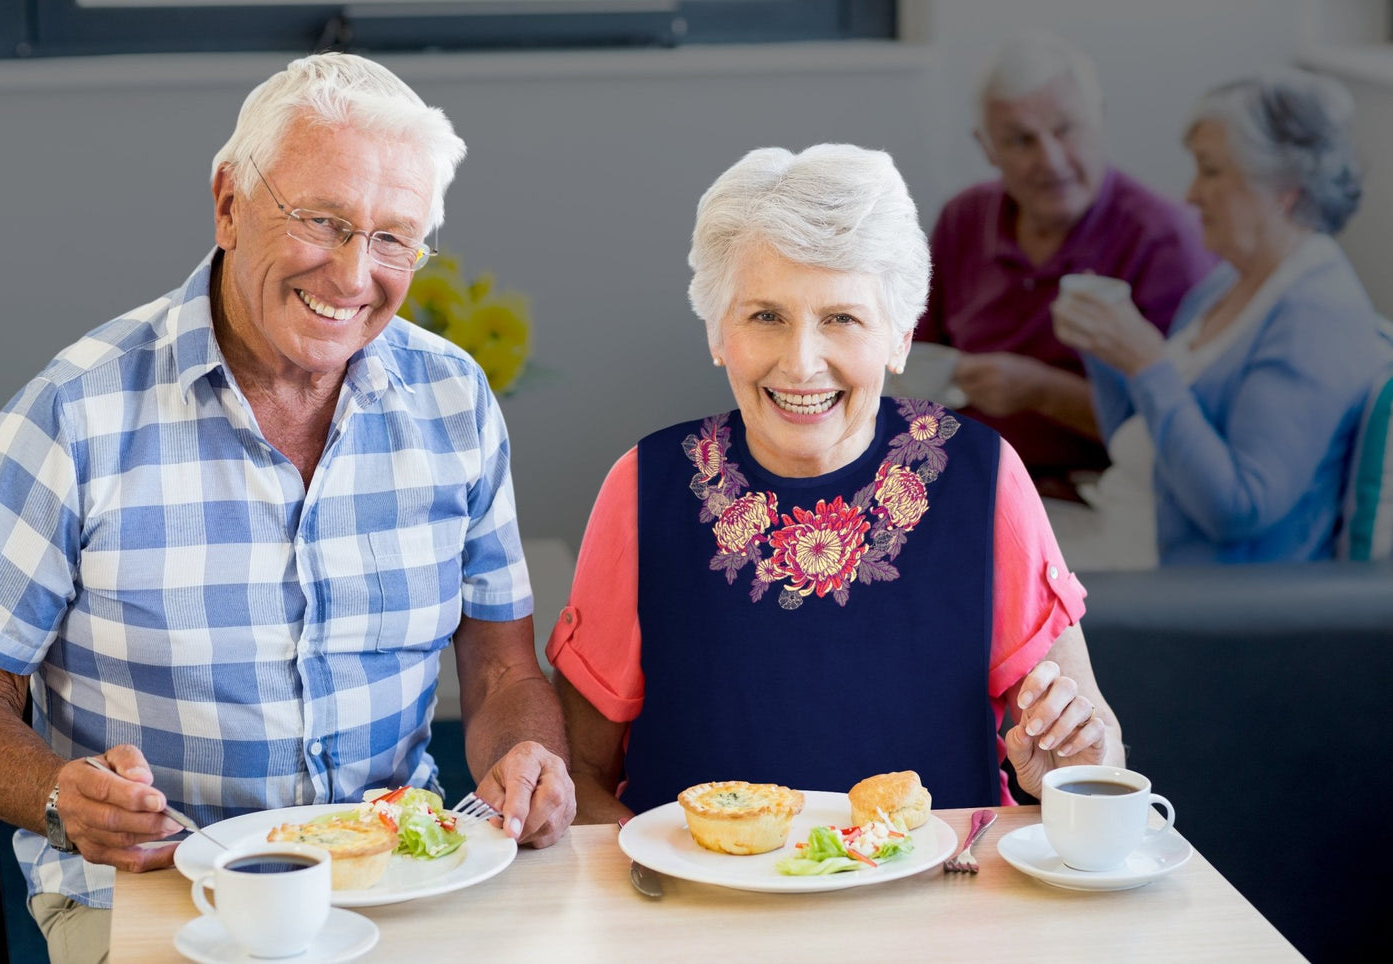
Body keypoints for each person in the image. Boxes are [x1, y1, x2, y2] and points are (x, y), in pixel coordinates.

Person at [0, 53, 573, 962]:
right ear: (230, 202)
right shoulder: (72, 414)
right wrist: (58, 794)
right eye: (323, 220)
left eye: (394, 238)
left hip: (398, 877)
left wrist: (529, 764)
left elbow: (502, 669)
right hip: (153, 893)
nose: (355, 274)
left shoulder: (453, 398)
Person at [548, 144, 1124, 824]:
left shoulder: (983, 475)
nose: (801, 363)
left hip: (938, 908)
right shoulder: (645, 485)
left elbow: (1095, 758)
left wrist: (1065, 772)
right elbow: (575, 778)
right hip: (702, 914)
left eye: (841, 319)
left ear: (900, 337)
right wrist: (663, 889)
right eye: (765, 316)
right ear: (716, 330)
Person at [1049, 69, 1393, 568]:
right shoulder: (1226, 283)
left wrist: (1146, 362)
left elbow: (1240, 507)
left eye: (1210, 172)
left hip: (1181, 593)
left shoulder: (1317, 317)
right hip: (1124, 531)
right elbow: (1141, 435)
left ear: (1284, 189)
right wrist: (1106, 353)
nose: (1190, 194)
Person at [914, 31, 1214, 498]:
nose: (1050, 161)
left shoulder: (1162, 239)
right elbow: (915, 365)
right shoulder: (963, 218)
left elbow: (1182, 430)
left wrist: (1041, 391)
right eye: (1020, 141)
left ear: (1101, 120)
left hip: (1098, 493)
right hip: (963, 478)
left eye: (1065, 130)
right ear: (987, 147)